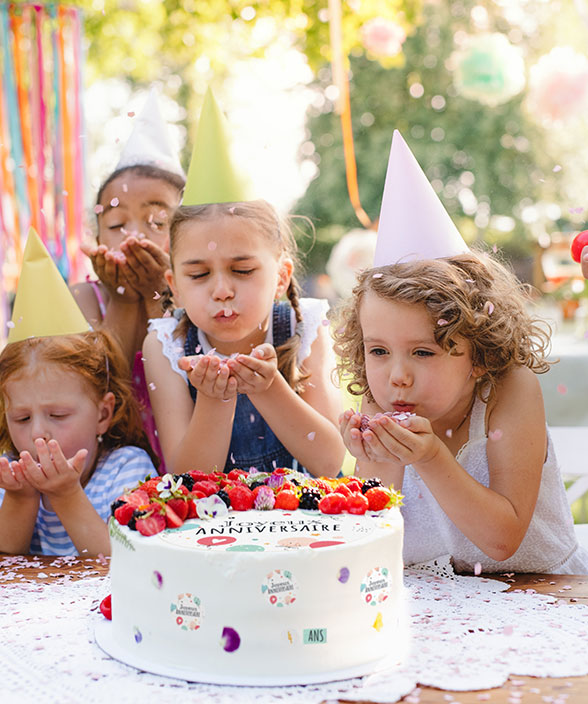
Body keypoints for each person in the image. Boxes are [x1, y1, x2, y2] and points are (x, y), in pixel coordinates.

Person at [334, 251, 588, 574]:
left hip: (539, 593)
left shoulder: (509, 392)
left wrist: (430, 459)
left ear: (480, 356)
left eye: (423, 352)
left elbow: (502, 541)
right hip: (431, 598)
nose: (396, 375)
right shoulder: (383, 398)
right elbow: (371, 540)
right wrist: (378, 458)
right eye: (379, 350)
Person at [143, 199, 345, 477]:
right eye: (198, 275)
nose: (222, 291)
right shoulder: (166, 345)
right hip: (216, 518)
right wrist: (213, 399)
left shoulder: (304, 325)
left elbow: (329, 463)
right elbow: (186, 477)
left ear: (281, 276)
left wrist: (269, 388)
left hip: (304, 517)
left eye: (242, 271)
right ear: (175, 285)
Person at [71, 91, 186, 471]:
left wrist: (160, 293)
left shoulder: (198, 294)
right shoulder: (85, 298)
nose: (134, 236)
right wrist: (121, 299)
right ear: (99, 236)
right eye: (117, 225)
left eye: (157, 222)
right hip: (115, 466)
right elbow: (99, 384)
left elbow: (184, 369)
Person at [0, 329, 157, 556]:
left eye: (58, 415)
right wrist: (21, 498)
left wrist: (66, 495)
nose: (37, 433)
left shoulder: (126, 468)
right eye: (22, 418)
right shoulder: (10, 473)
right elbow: (6, 562)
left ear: (102, 415)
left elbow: (128, 560)